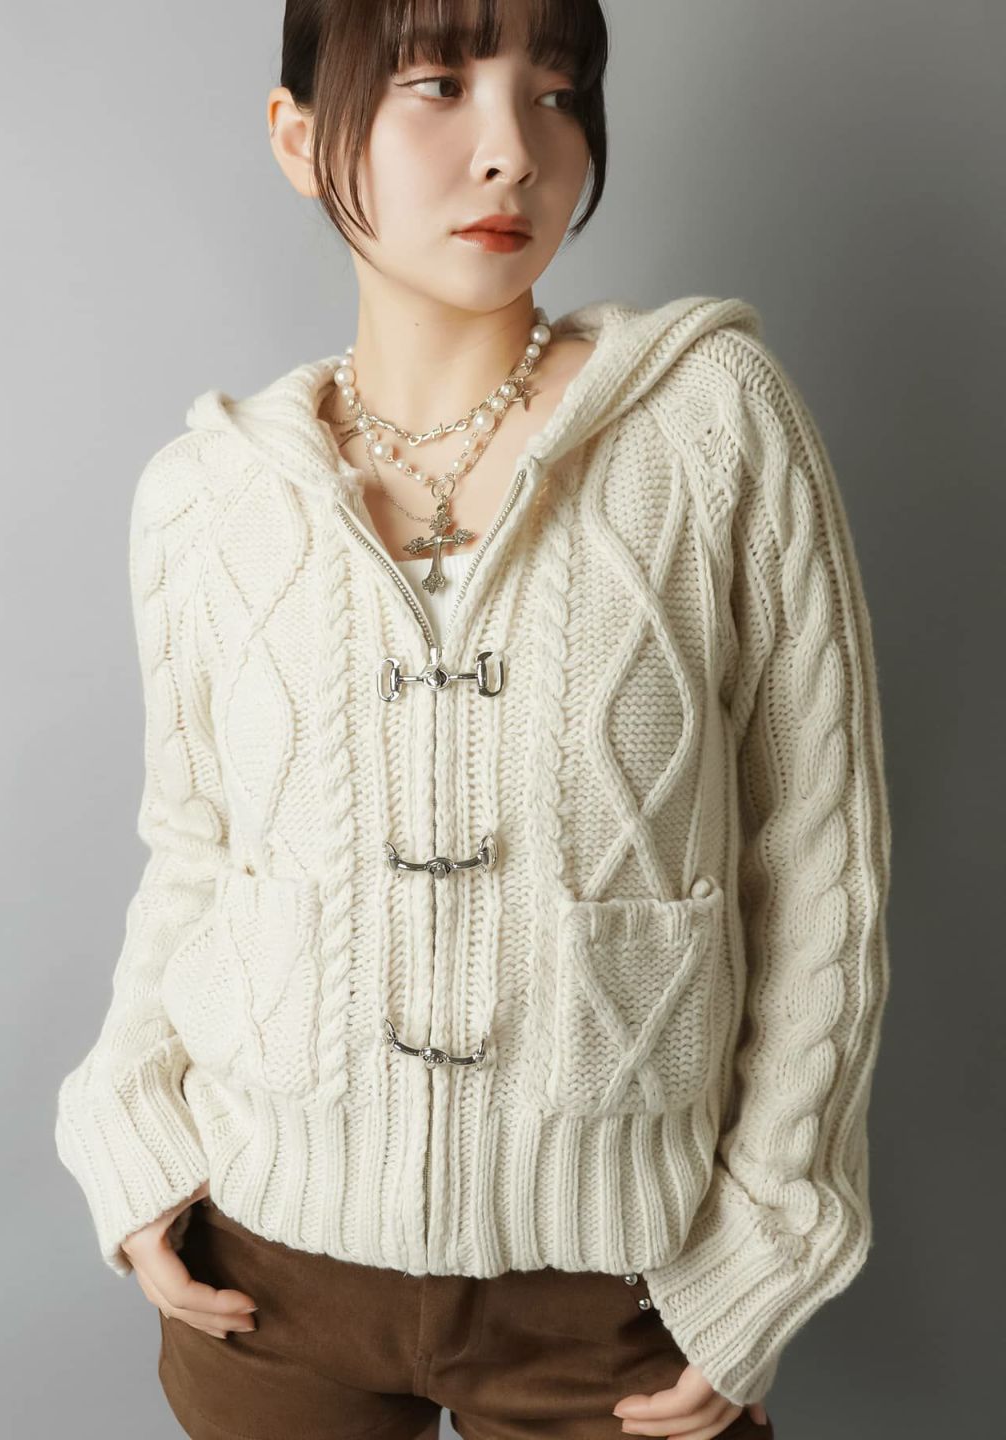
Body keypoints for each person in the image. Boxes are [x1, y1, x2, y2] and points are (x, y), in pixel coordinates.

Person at [54, 2, 892, 1437]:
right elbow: (194, 852)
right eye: (438, 84)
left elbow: (823, 862)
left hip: (616, 1300)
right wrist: (129, 1131)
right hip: (266, 1274)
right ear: (299, 138)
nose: (513, 150)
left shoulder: (711, 426)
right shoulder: (205, 499)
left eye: (558, 93)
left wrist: (768, 1244)